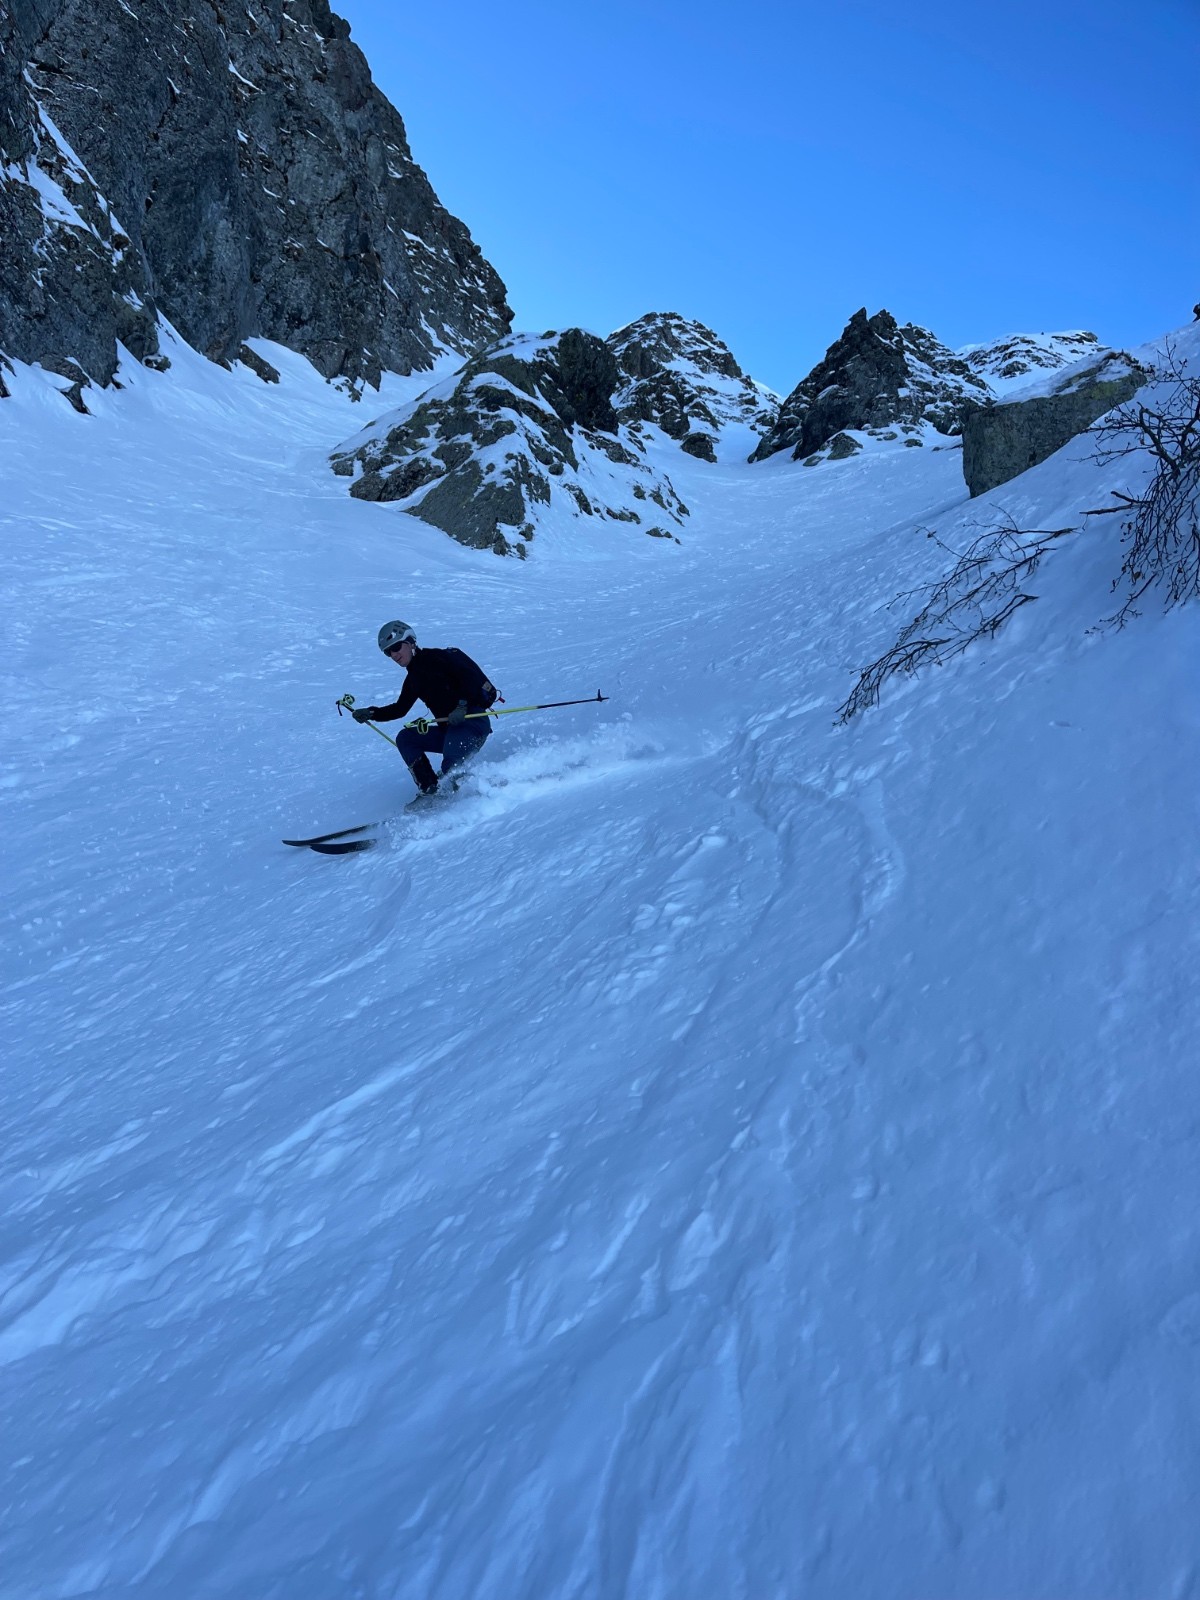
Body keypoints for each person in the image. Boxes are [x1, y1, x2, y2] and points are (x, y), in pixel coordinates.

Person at [352, 621, 498, 795]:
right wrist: (371, 713)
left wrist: (462, 706)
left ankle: (460, 798)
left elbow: (467, 678)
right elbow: (400, 709)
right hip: (450, 731)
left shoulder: (438, 658)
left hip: (472, 723)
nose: (394, 655)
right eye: (388, 652)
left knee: (451, 766)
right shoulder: (413, 679)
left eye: (397, 647)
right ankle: (430, 789)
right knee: (406, 738)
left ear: (411, 642)